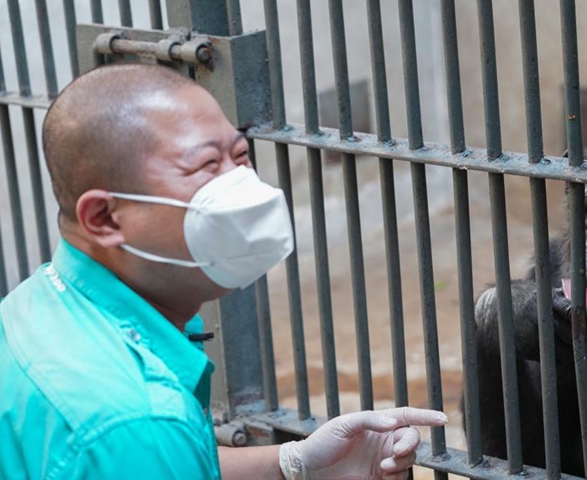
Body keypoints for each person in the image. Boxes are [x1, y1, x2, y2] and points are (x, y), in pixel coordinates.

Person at [0, 63, 448, 480]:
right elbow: (142, 444)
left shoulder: (35, 305)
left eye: (240, 155)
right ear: (104, 218)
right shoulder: (136, 417)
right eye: (206, 166)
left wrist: (297, 462)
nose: (242, 187)